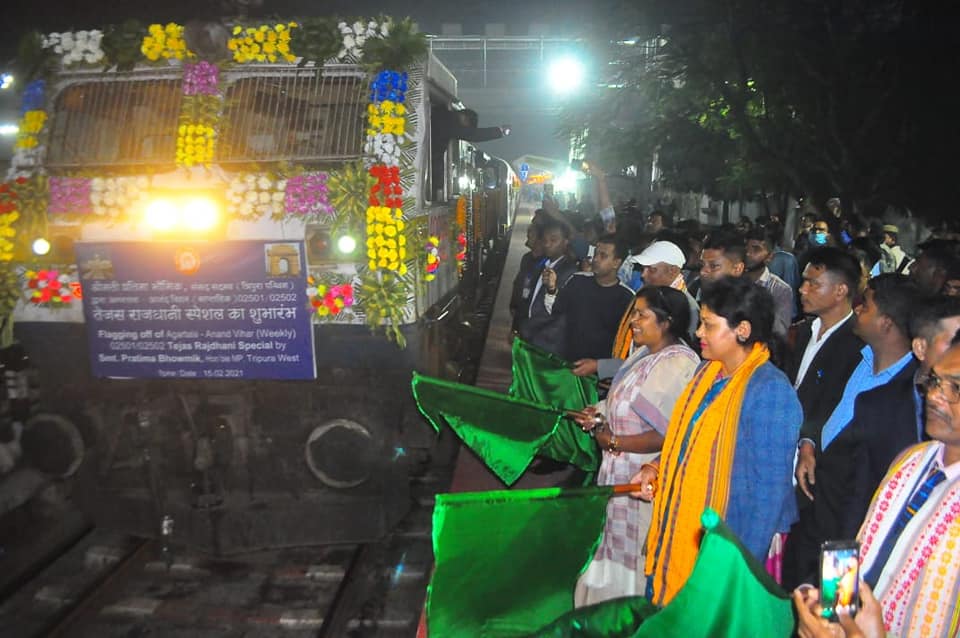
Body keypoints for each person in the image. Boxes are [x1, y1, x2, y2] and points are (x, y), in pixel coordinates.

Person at [633, 277, 802, 606]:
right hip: (677, 534)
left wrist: (734, 574)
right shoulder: (707, 374)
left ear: (742, 330)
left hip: (725, 547)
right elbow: (687, 444)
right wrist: (658, 467)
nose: (698, 333)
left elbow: (767, 500)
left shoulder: (769, 391)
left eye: (708, 326)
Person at [795, 340, 960, 638]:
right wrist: (824, 605)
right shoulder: (912, 460)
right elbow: (864, 549)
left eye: (956, 389)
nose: (935, 396)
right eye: (935, 381)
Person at [783, 274, 921, 588]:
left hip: (849, 531)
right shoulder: (859, 357)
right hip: (816, 507)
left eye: (866, 305)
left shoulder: (907, 394)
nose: (857, 310)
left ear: (886, 323)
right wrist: (809, 442)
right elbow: (824, 409)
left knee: (829, 611)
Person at [568, 286, 699, 606]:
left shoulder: (676, 363)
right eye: (634, 313)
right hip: (618, 473)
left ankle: (626, 618)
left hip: (642, 480)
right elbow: (624, 403)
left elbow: (667, 434)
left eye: (642, 315)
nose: (633, 322)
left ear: (666, 322)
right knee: (610, 545)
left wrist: (614, 440)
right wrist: (598, 413)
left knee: (634, 555)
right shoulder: (645, 353)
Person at [542, 235, 635, 361]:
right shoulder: (578, 280)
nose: (596, 259)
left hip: (597, 373)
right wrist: (551, 289)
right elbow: (556, 310)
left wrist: (601, 367)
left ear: (616, 263)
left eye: (603, 256)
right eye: (596, 254)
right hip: (566, 362)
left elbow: (626, 344)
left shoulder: (627, 298)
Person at [518, 218, 578, 355]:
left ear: (565, 242)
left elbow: (557, 310)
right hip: (533, 338)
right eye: (544, 240)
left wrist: (526, 330)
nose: (547, 244)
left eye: (553, 240)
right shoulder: (542, 264)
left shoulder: (569, 271)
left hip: (548, 343)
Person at [744, 227, 796, 335]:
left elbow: (779, 333)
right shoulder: (732, 281)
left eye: (756, 249)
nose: (748, 254)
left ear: (769, 257)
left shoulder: (781, 290)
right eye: (746, 248)